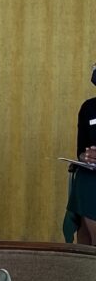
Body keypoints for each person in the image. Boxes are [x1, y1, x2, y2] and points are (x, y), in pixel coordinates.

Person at [64, 63, 96, 244]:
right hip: (91, 172)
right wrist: (86, 157)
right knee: (85, 176)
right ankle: (84, 257)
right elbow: (81, 151)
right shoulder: (88, 108)